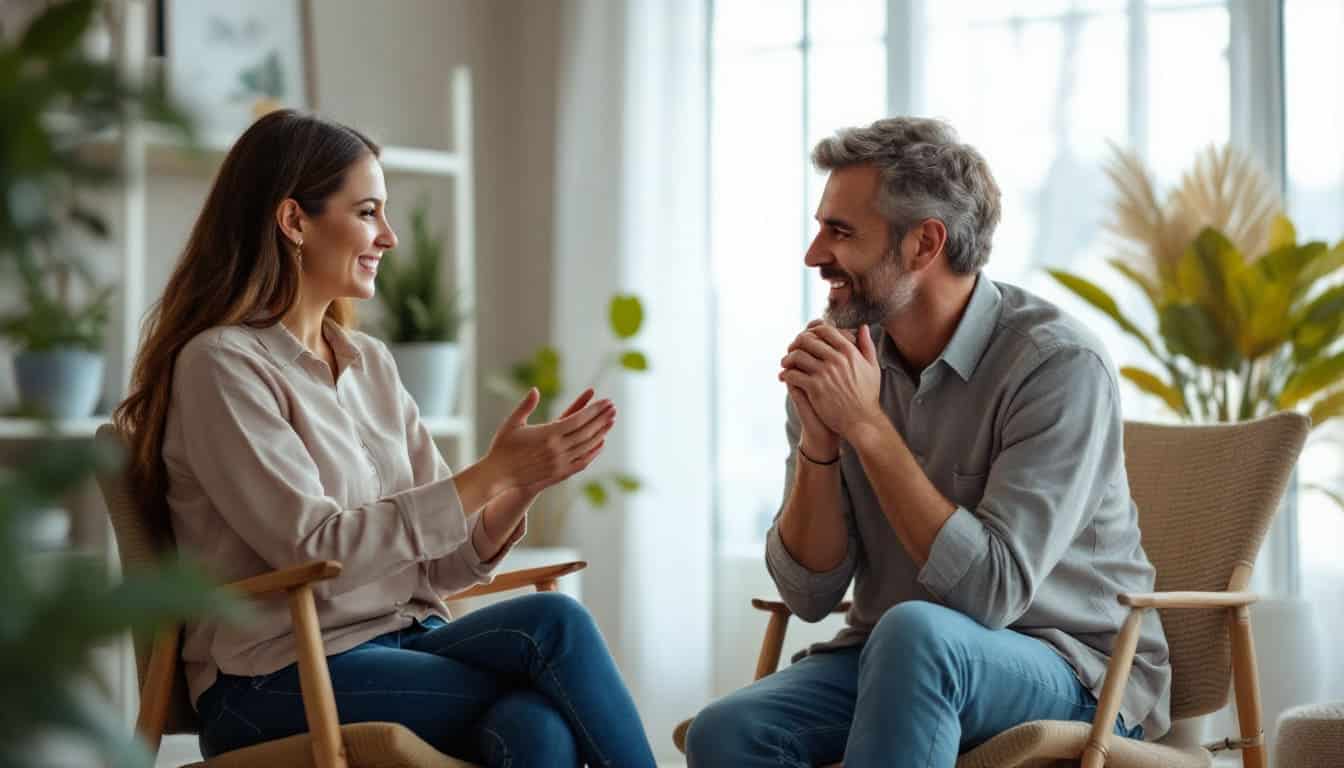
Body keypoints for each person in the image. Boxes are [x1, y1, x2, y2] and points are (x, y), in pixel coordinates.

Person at [114, 110, 657, 768]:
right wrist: (484, 475)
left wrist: (515, 487)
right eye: (368, 212)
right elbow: (317, 549)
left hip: (406, 646)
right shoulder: (222, 364)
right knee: (542, 668)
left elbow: (441, 568)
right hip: (277, 677)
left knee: (538, 707)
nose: (390, 237)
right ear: (293, 222)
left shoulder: (369, 362)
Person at [685, 117, 1171, 767]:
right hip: (893, 654)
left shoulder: (1057, 366)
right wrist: (820, 446)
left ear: (924, 243)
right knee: (729, 730)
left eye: (841, 232)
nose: (813, 255)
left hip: (1071, 667)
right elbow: (808, 596)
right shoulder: (843, 367)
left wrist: (866, 426)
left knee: (916, 635)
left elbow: (993, 594)